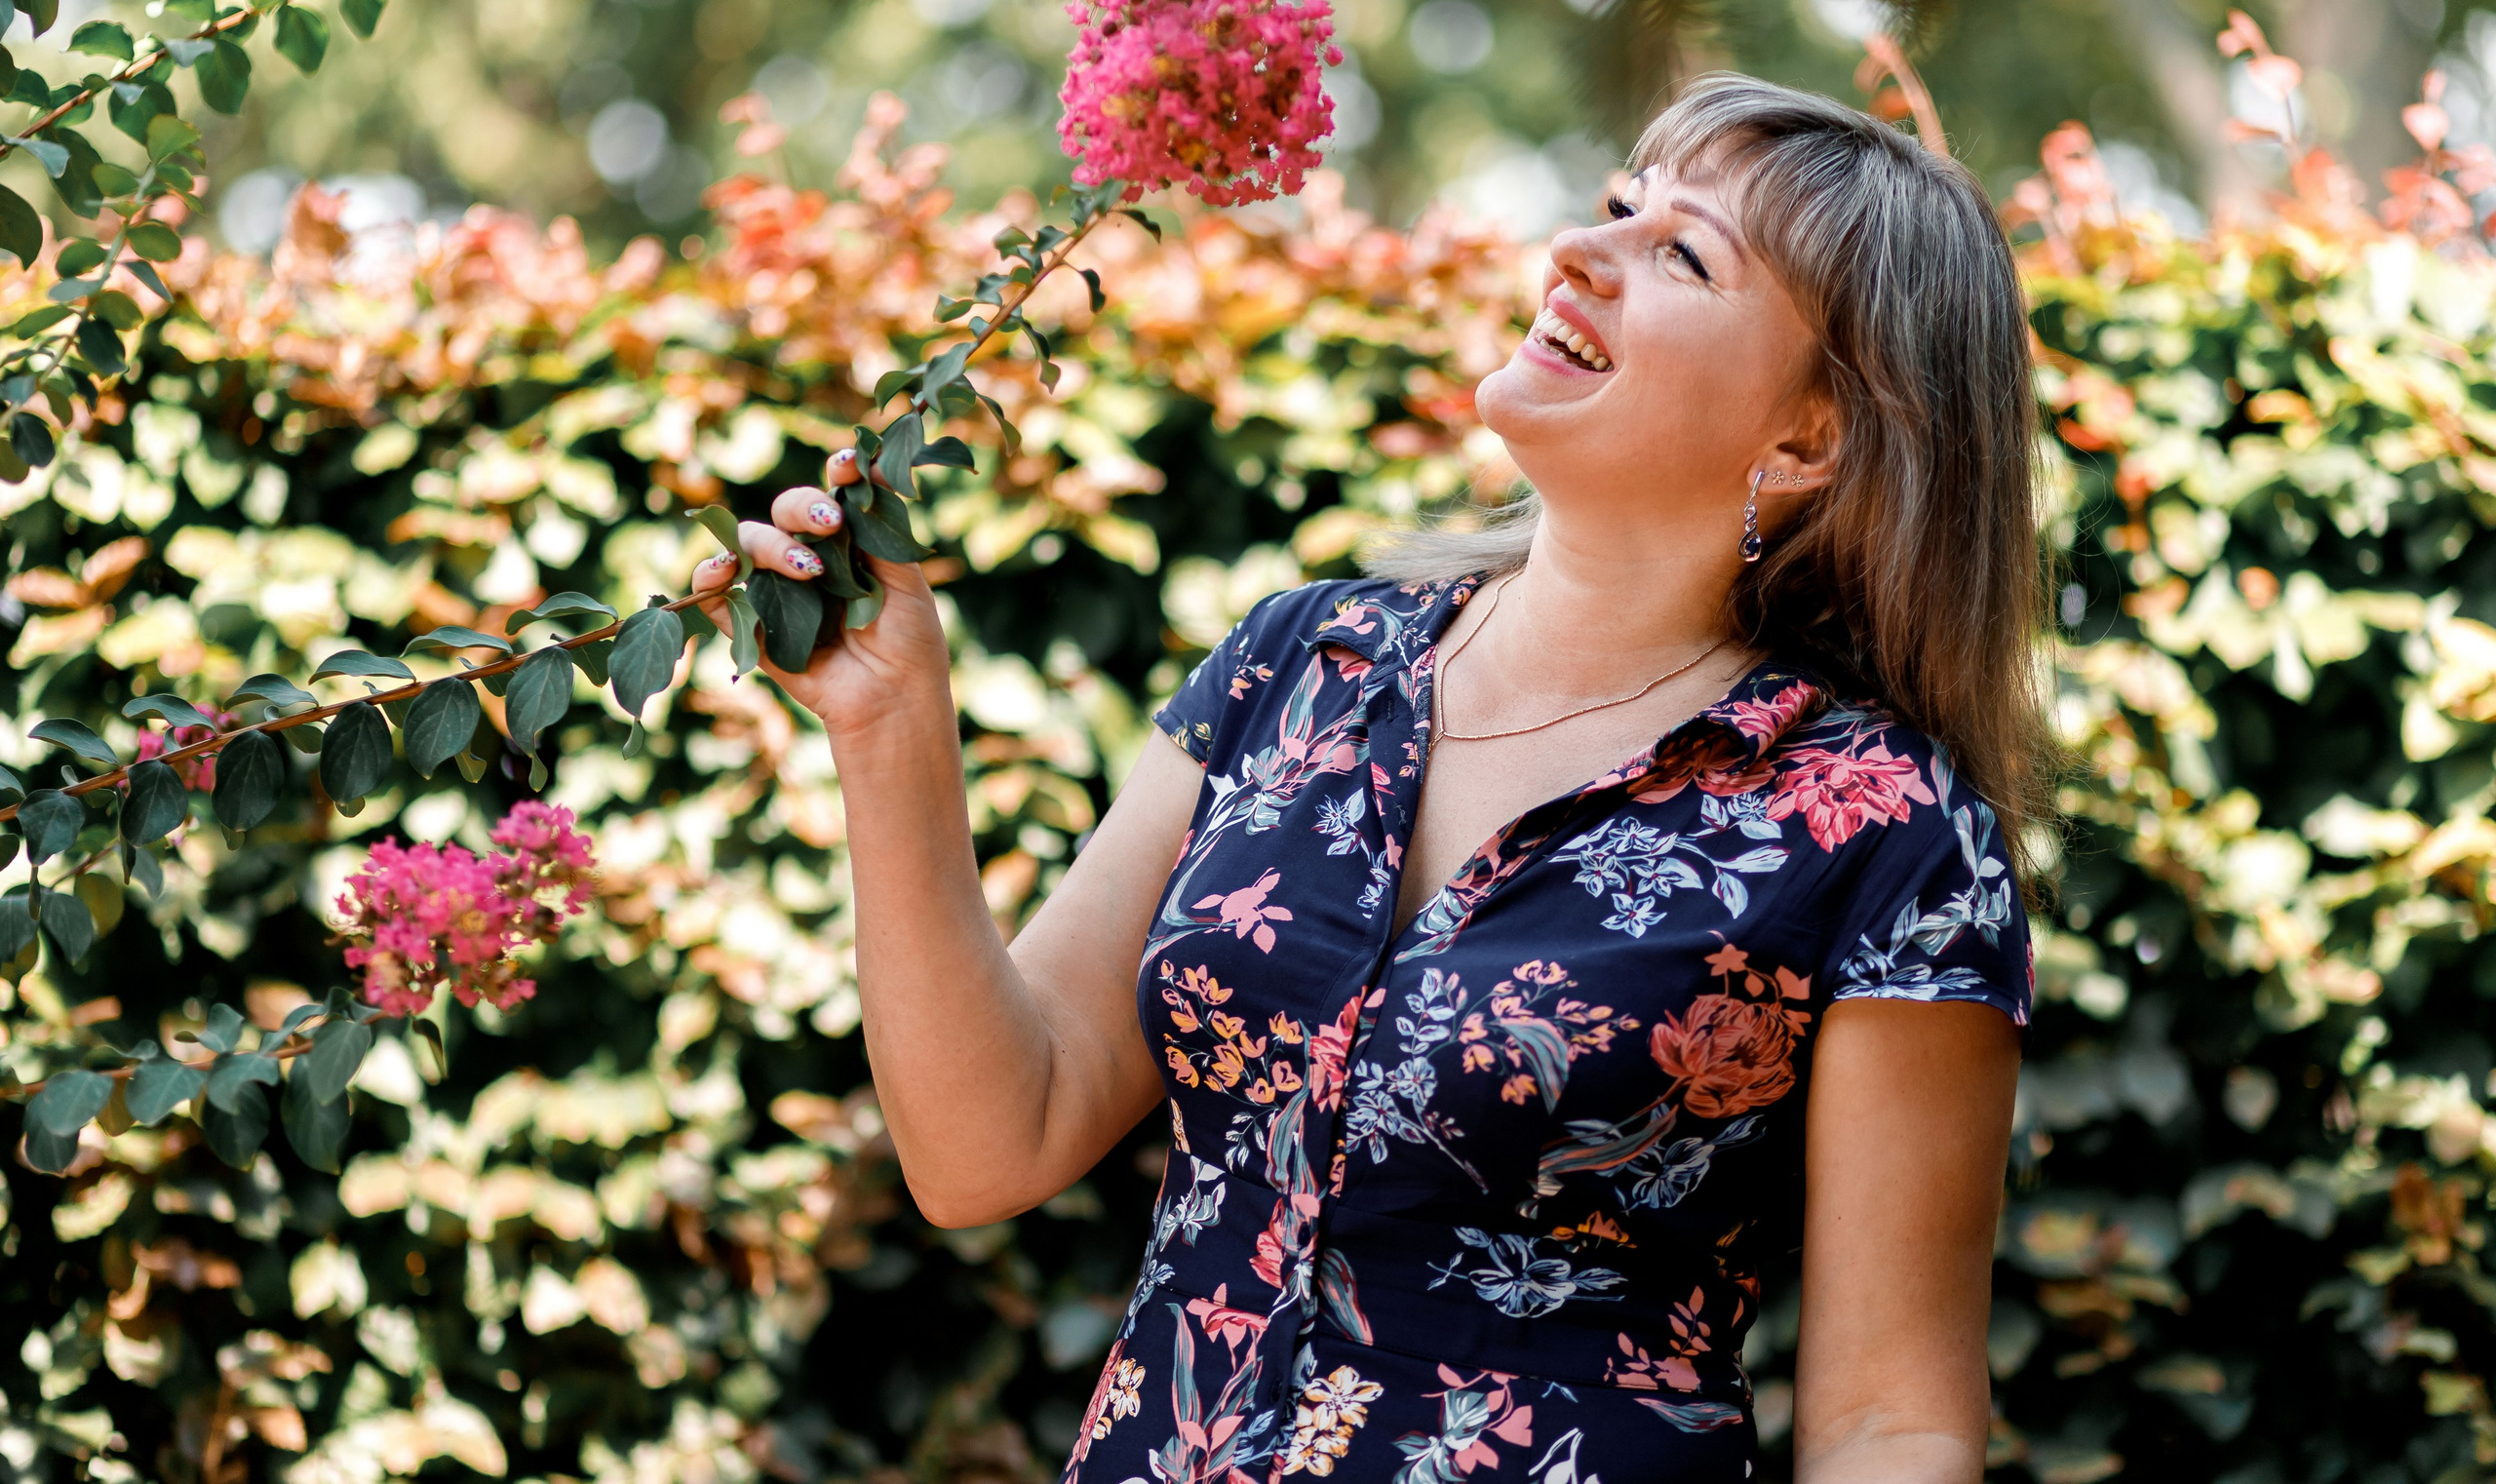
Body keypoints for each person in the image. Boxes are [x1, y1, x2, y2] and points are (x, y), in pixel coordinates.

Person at [693, 74, 2045, 1484]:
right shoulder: (1303, 662)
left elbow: (1893, 1418)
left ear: (1807, 438)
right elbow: (989, 1140)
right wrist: (890, 725)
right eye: (1618, 207)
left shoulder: (1883, 825)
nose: (1587, 252)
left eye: (1682, 255)